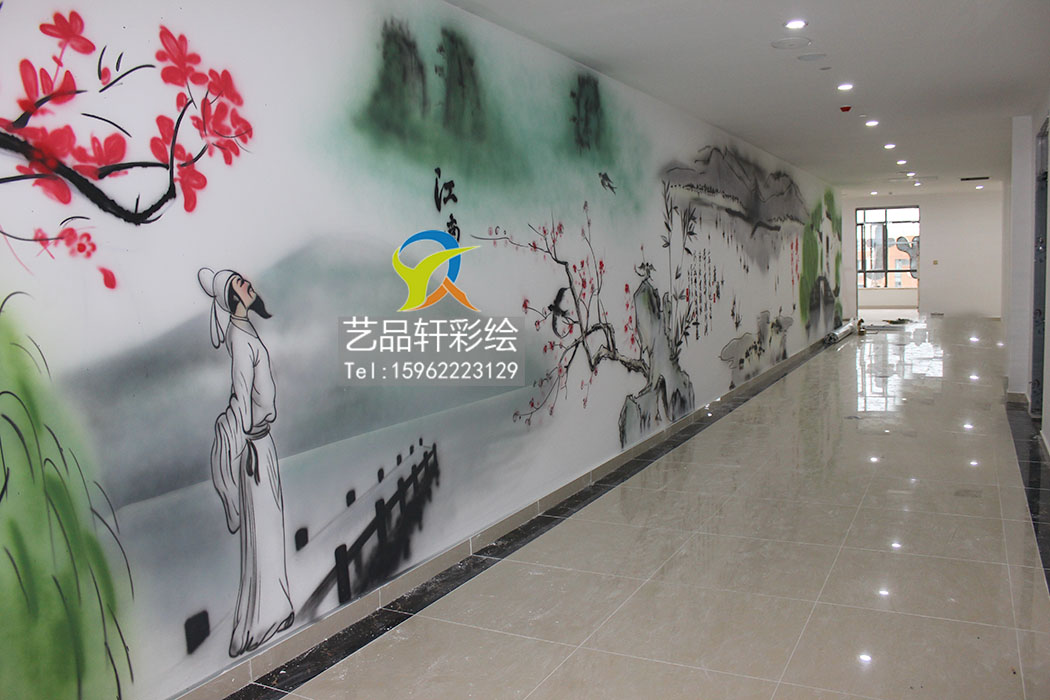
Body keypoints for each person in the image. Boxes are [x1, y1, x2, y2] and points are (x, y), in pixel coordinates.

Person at [198, 267, 294, 657]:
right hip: (254, 447)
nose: (249, 285)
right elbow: (241, 397)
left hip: (261, 443)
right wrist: (238, 443)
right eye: (240, 283)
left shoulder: (245, 332)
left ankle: (276, 608)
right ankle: (259, 620)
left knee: (270, 528)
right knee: (263, 532)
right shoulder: (239, 339)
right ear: (233, 297)